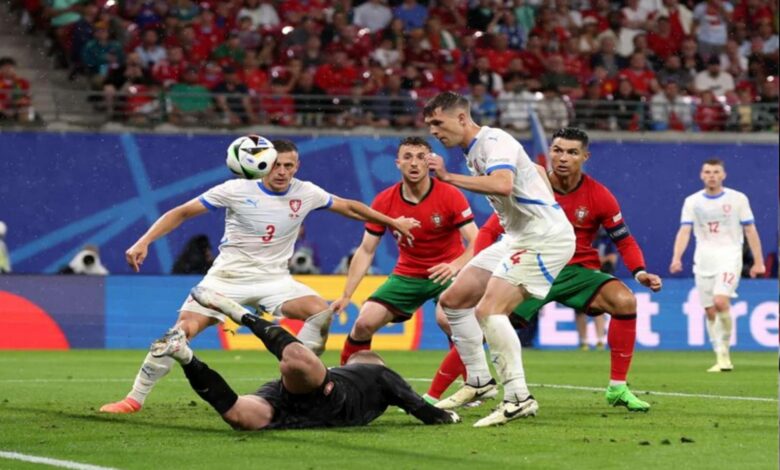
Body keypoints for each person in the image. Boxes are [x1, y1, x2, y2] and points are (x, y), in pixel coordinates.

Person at [100, 139, 419, 414]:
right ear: (262, 164)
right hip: (226, 279)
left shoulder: (306, 192)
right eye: (276, 165)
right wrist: (144, 241)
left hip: (275, 280)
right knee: (179, 334)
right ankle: (134, 398)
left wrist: (393, 222)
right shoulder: (235, 189)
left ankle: (298, 381)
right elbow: (181, 212)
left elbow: (350, 207)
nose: (282, 171)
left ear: (297, 166)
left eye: (289, 165)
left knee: (320, 312)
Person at [467, 128, 662, 412]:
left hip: (578, 271)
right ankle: (456, 388)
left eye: (572, 152)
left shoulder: (599, 195)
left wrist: (640, 272)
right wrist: (481, 269)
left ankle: (618, 388)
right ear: (550, 152)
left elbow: (624, 239)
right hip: (534, 266)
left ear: (585, 157)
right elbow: (489, 230)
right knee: (485, 323)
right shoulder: (529, 186)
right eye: (558, 150)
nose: (563, 158)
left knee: (625, 301)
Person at [422, 92, 576, 427]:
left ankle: (518, 397)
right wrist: (543, 195)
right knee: (453, 300)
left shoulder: (494, 140)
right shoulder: (474, 150)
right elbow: (534, 169)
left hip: (543, 237)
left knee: (489, 310)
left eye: (438, 122)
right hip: (517, 236)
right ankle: (479, 380)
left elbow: (503, 184)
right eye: (429, 124)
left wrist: (448, 178)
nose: (433, 131)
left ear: (462, 118)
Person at [150, 286, 460, 430]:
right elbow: (424, 410)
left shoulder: (372, 374)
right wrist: (448, 417)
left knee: (239, 416)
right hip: (325, 396)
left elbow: (419, 408)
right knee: (298, 360)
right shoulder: (377, 375)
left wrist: (442, 415)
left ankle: (185, 355)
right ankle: (239, 313)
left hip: (296, 411)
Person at [330, 136, 478, 405]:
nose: (414, 163)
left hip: (449, 271)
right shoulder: (384, 200)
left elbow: (477, 241)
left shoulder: (450, 195)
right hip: (407, 274)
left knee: (448, 320)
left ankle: (473, 385)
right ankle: (345, 386)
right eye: (407, 157)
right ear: (397, 163)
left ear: (430, 162)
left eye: (421, 157)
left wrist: (455, 265)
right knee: (363, 323)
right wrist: (346, 294)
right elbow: (366, 250)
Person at [670, 158, 764, 372]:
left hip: (730, 257)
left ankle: (725, 355)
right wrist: (676, 258)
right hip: (704, 260)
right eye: (707, 172)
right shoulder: (692, 201)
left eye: (715, 172)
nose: (711, 176)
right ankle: (719, 354)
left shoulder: (738, 199)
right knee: (710, 310)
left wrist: (758, 262)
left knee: (721, 301)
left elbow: (750, 230)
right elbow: (684, 231)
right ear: (701, 175)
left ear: (723, 175)